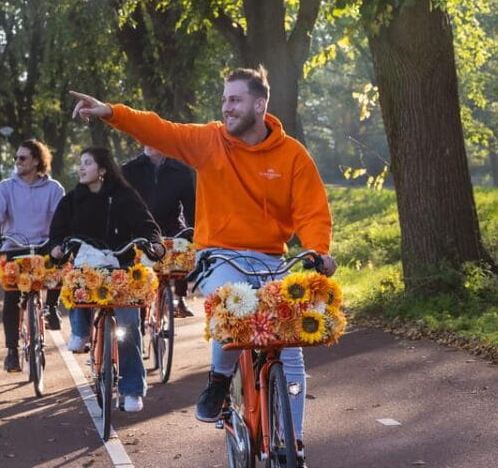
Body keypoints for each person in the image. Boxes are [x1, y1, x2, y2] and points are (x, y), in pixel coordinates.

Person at [68, 67, 334, 464]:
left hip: (270, 258)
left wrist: (317, 250)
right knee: (231, 302)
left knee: (290, 344)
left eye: (235, 100)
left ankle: (291, 446)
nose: (227, 107)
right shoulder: (210, 140)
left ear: (259, 105)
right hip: (219, 255)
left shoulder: (292, 155)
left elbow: (312, 210)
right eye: (224, 99)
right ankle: (219, 380)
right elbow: (161, 130)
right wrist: (110, 112)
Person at [48, 147, 165, 413]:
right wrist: (55, 247)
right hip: (87, 266)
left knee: (129, 325)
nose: (81, 167)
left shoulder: (124, 195)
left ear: (102, 169)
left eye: (87, 163)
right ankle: (81, 330)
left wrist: (154, 243)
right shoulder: (72, 200)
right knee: (75, 281)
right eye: (80, 163)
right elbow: (57, 231)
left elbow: (146, 224)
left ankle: (132, 390)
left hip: (121, 267)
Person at [0, 140, 65, 372]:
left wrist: (60, 240)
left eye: (22, 158)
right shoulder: (5, 188)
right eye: (16, 158)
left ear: (37, 161)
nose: (17, 162)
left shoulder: (54, 189)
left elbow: (60, 218)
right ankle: (12, 352)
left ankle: (51, 306)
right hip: (14, 246)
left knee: (61, 264)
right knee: (11, 296)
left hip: (44, 246)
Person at [122, 145, 197, 317]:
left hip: (171, 225)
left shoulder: (181, 170)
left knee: (185, 244)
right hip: (140, 227)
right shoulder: (128, 170)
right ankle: (141, 306)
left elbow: (191, 207)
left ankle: (180, 297)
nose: (149, 143)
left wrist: (195, 231)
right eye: (145, 140)